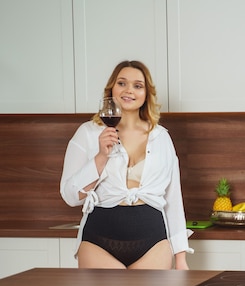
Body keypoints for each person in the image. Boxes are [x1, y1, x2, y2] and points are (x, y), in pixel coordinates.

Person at [60, 60, 191, 269]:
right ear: (112, 88)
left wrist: (181, 258)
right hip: (99, 241)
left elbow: (173, 198)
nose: (129, 90)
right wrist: (101, 157)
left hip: (153, 242)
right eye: (122, 83)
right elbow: (70, 196)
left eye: (138, 86)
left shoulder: (161, 138)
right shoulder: (88, 133)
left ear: (146, 93)